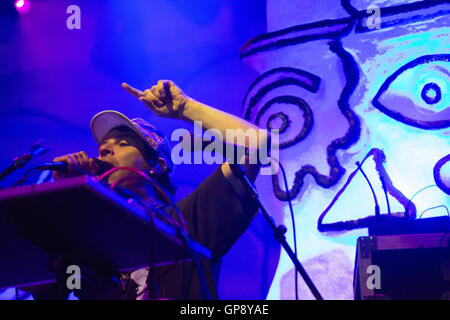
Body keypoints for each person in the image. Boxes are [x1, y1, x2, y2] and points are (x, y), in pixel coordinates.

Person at [32, 80, 269, 300]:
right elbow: (40, 283)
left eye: (123, 144)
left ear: (158, 164)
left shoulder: (186, 218)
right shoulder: (94, 243)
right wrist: (66, 198)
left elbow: (255, 143)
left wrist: (185, 108)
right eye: (103, 147)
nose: (103, 150)